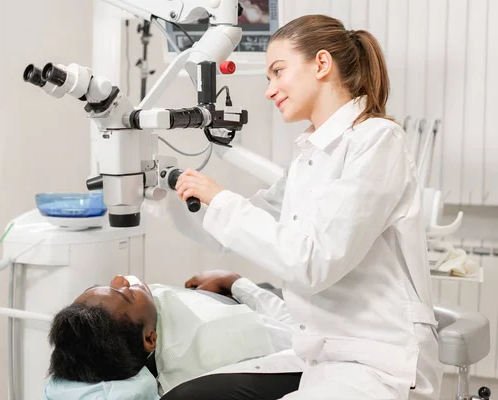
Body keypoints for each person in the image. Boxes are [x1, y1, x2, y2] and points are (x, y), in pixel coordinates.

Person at [174, 14, 442, 400]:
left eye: (278, 72)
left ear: (321, 63)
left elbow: (314, 262)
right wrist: (160, 196)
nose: (270, 90)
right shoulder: (308, 156)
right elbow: (237, 229)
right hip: (323, 356)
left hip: (380, 361)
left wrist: (221, 199)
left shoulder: (378, 140)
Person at [43, 274, 304, 400]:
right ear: (150, 339)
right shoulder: (215, 340)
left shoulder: (124, 336)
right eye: (127, 293)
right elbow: (304, 333)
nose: (121, 278)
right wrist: (237, 282)